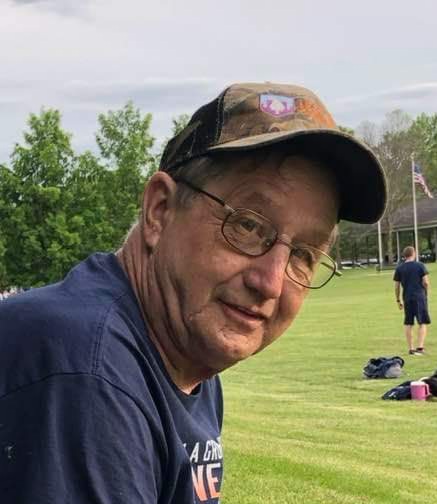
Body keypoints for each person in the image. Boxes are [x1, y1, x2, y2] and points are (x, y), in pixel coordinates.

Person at [0, 82, 386, 504]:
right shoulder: (86, 374)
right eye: (248, 225)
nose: (271, 282)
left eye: (304, 254)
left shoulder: (183, 359)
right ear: (160, 210)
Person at [394, 245, 431, 355]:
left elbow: (397, 286)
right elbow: (426, 282)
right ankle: (420, 347)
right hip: (419, 297)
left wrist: (398, 300)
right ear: (413, 253)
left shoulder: (399, 268)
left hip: (407, 297)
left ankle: (411, 348)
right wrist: (426, 292)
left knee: (408, 322)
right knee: (422, 322)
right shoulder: (420, 265)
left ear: (404, 255)